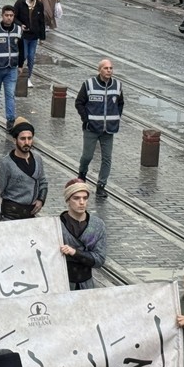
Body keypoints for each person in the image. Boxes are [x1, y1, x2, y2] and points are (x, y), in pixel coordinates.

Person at [74, 58, 123, 199]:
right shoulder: (89, 84)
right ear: (99, 70)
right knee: (87, 156)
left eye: (111, 68)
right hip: (92, 128)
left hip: (109, 130)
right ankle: (82, 174)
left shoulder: (118, 86)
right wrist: (86, 119)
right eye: (106, 68)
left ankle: (101, 185)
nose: (109, 71)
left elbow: (120, 103)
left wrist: (116, 117)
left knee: (107, 158)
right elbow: (79, 103)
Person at [0, 119, 47, 221]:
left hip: (30, 216)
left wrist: (41, 199)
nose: (26, 142)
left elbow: (43, 182)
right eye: (22, 139)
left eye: (29, 138)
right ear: (14, 140)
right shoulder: (6, 164)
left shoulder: (37, 158)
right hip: (11, 216)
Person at [59, 179, 106, 290]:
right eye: (76, 198)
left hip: (86, 285)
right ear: (68, 200)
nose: (81, 202)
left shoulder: (97, 225)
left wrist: (75, 253)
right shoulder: (57, 225)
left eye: (85, 198)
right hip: (63, 285)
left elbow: (99, 259)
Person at [13, 0, 45, 87]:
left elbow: (41, 21)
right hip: (23, 36)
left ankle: (27, 78)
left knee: (31, 58)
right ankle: (18, 74)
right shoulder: (19, 3)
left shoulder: (39, 5)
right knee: (24, 55)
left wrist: (42, 36)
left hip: (34, 36)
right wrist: (20, 25)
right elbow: (14, 17)